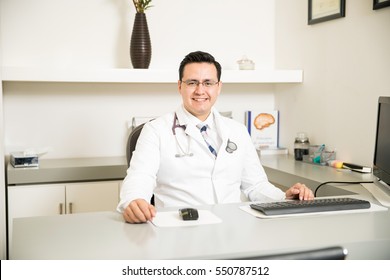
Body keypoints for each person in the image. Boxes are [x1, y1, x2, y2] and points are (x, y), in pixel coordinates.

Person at [117, 51, 314, 223]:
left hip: (233, 227)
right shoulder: (155, 130)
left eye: (208, 83)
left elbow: (255, 185)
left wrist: (284, 197)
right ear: (179, 86)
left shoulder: (237, 130)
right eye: (192, 82)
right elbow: (140, 177)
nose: (200, 90)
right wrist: (134, 201)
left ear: (218, 87)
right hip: (180, 228)